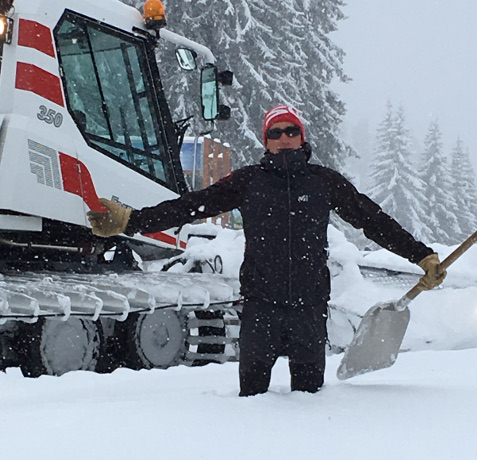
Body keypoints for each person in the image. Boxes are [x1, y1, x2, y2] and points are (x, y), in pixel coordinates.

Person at [88, 105, 445, 396]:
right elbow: (190, 207)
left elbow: (373, 220)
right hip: (261, 308)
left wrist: (421, 255)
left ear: (301, 138)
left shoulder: (323, 182)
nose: (284, 139)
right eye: (276, 133)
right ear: (266, 141)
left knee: (310, 401)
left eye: (291, 131)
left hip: (309, 308)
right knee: (252, 400)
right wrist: (131, 221)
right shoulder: (248, 182)